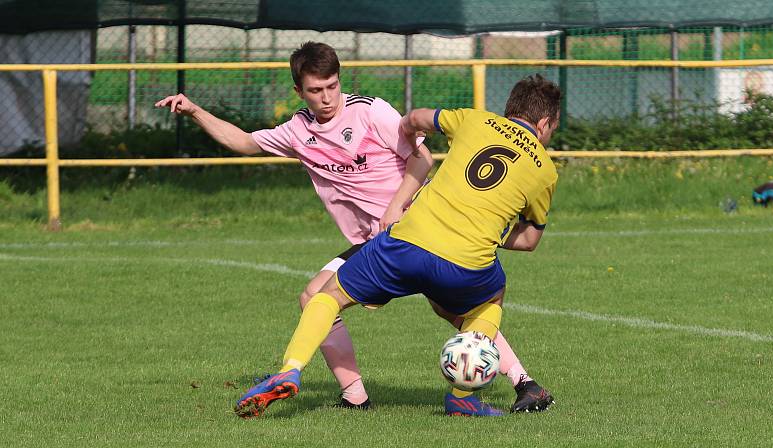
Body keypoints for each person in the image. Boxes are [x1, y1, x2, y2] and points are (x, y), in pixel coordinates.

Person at [156, 41, 547, 413]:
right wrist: (195, 112)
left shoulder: (370, 112)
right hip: (380, 241)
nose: (326, 96)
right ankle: (519, 384)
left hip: (409, 230)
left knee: (320, 297)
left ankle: (351, 393)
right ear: (299, 91)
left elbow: (421, 159)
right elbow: (244, 141)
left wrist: (393, 210)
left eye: (332, 85)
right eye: (315, 90)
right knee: (455, 312)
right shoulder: (298, 131)